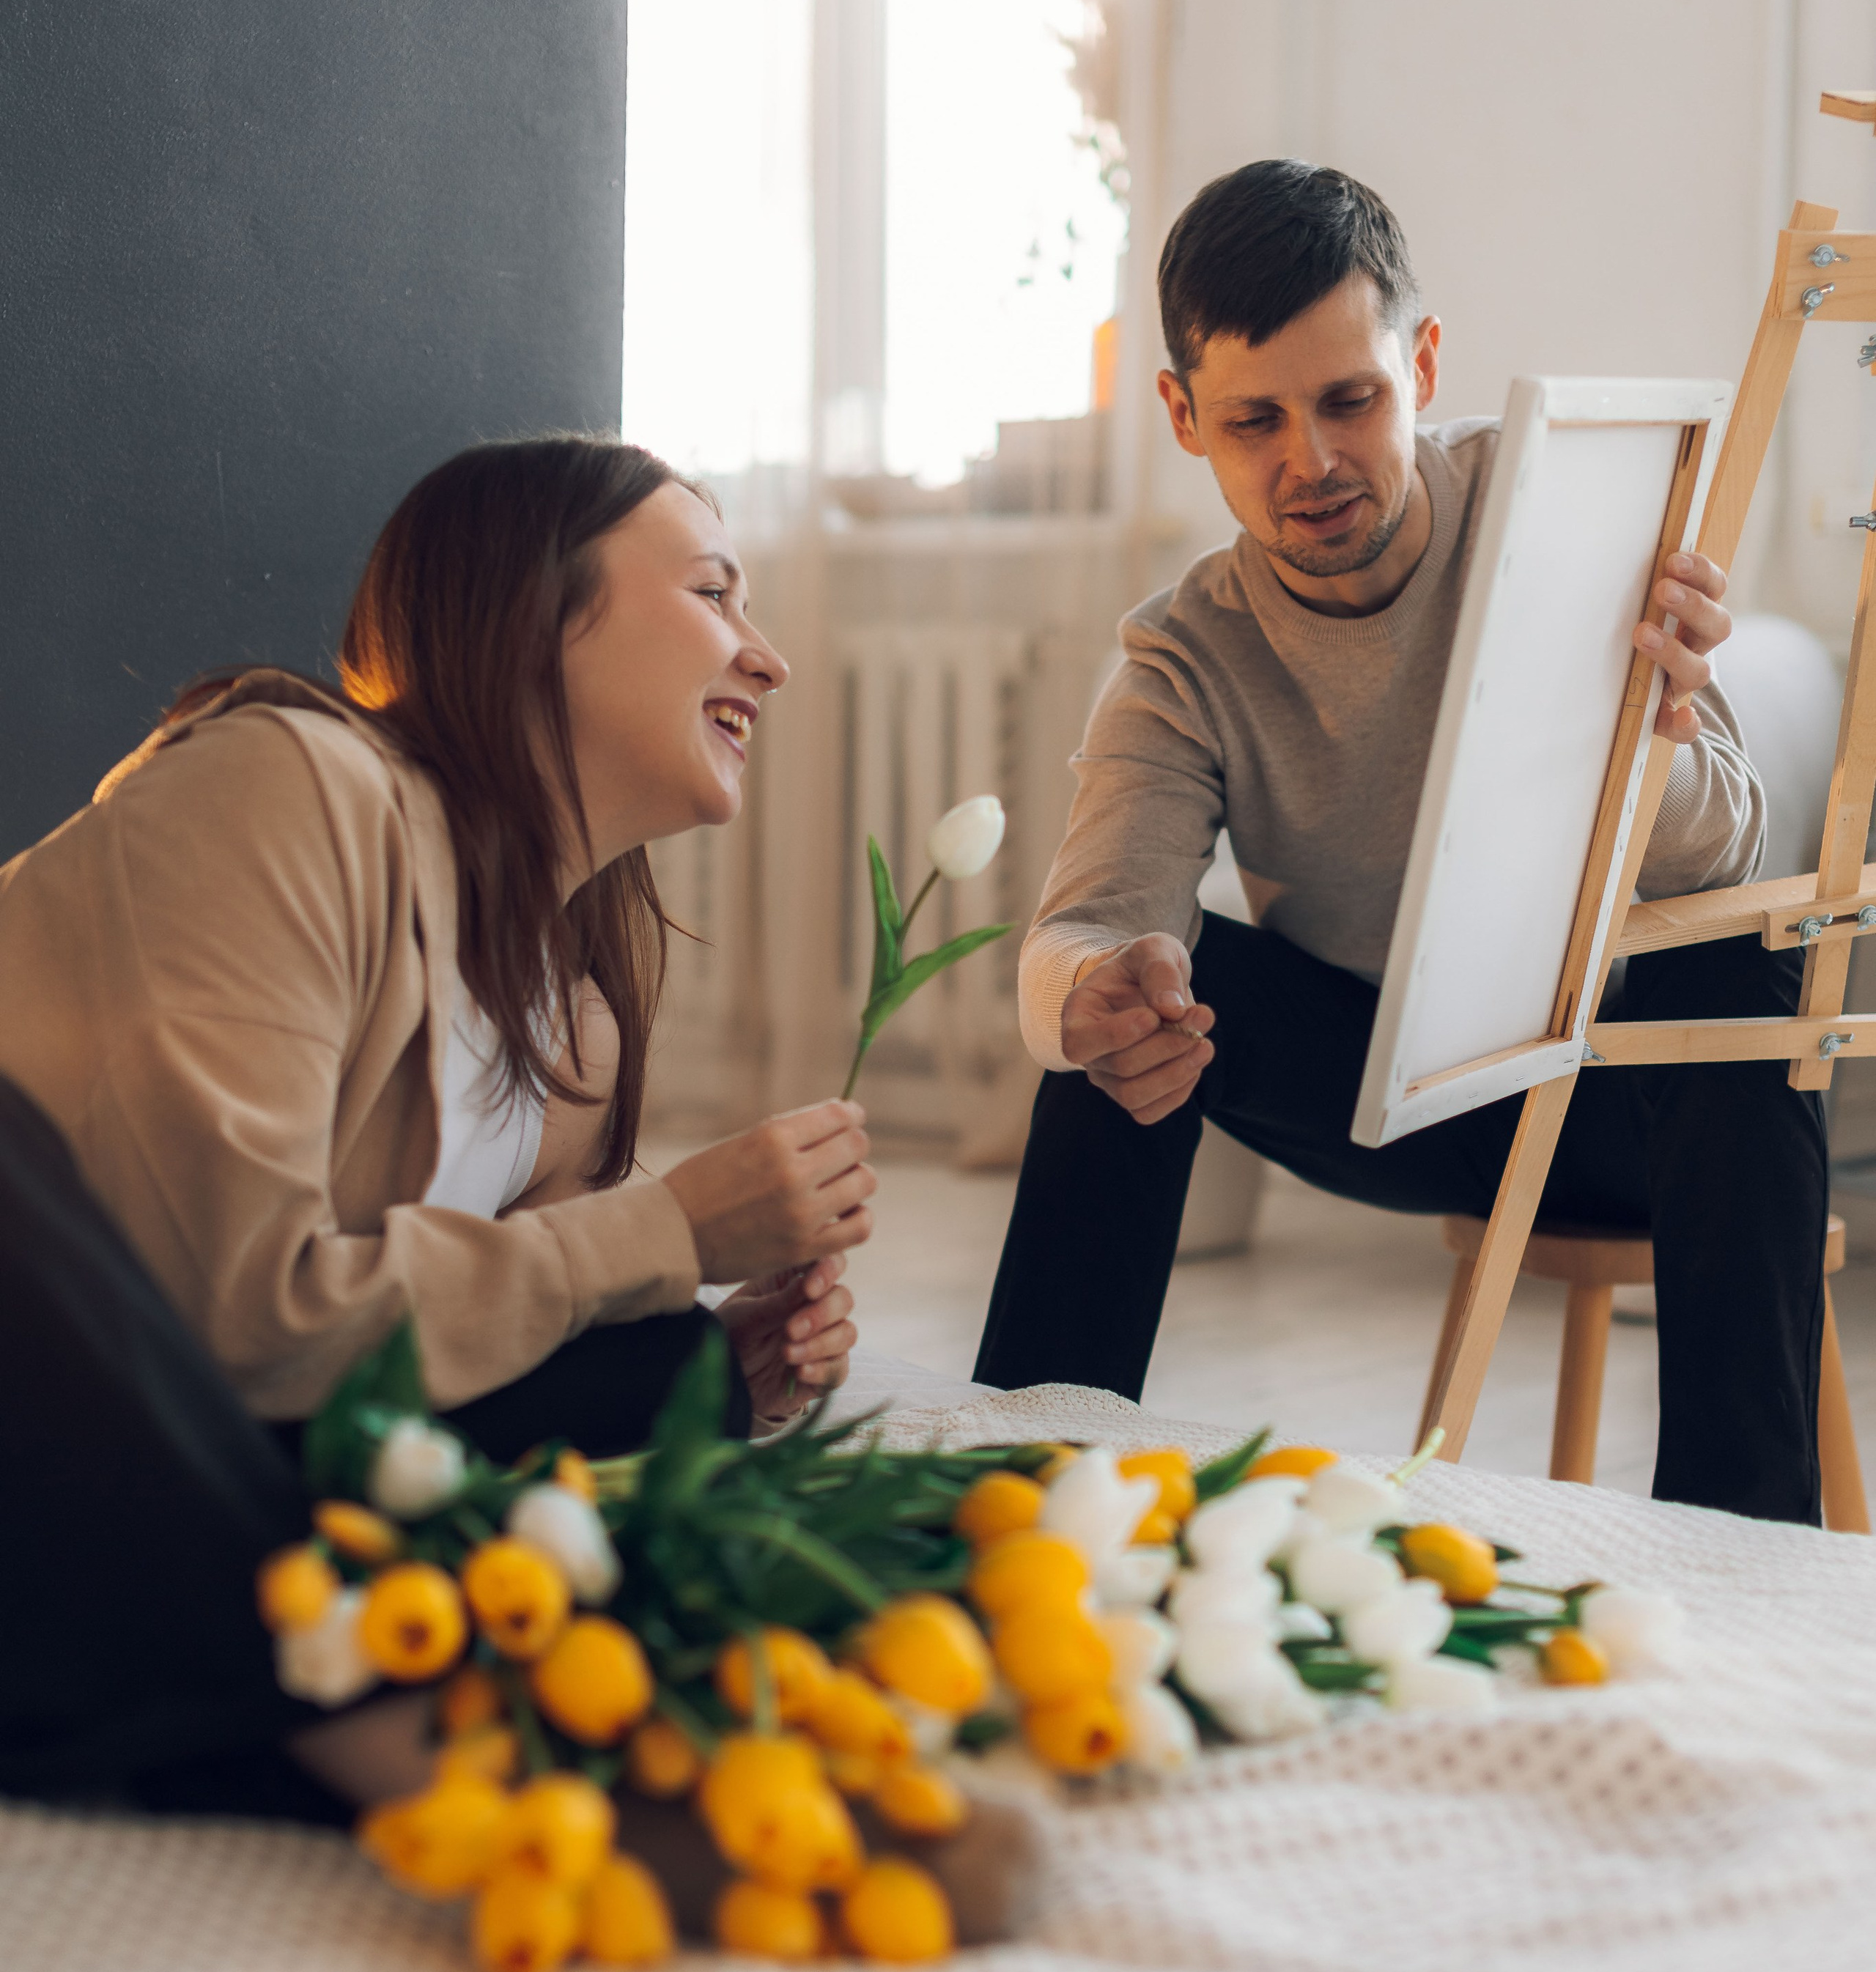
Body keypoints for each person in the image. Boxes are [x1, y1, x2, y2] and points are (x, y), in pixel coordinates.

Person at [0, 435, 876, 1809]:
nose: (764, 657)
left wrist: (710, 1357)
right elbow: (234, 1322)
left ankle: (277, 1699)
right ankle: (358, 1734)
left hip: (100, 1496)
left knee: (638, 1352)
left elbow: (411, 1377)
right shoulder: (290, 783)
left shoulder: (571, 1033)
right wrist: (663, 1227)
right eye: (715, 593)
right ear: (538, 614)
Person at [975, 161, 1828, 1526]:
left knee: (1739, 982)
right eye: (1254, 419)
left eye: (1348, 400)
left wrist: (1645, 745)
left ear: (1422, 363)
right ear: (1184, 419)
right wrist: (1092, 994)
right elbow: (1075, 930)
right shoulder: (1183, 655)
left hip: (1626, 1100)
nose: (1307, 461)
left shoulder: (1565, 501)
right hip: (1395, 1093)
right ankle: (1025, 1503)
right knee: (1130, 1010)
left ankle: (1745, 1546)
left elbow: (1727, 852)